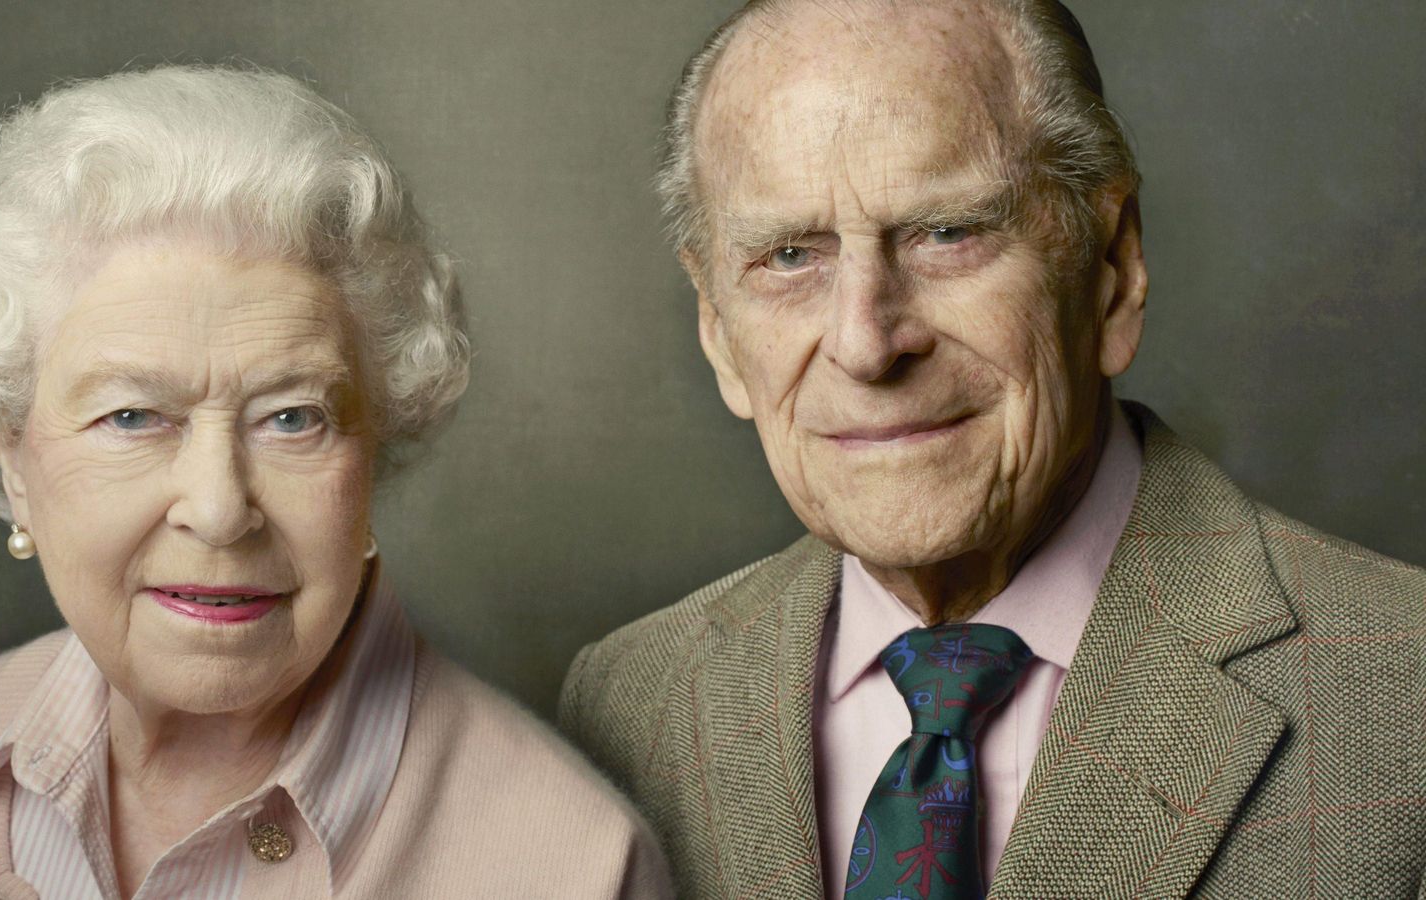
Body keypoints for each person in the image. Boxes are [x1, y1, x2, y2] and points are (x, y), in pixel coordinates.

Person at [558, 1, 1426, 898]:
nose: (866, 342)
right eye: (787, 256)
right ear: (715, 328)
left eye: (948, 232)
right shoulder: (629, 702)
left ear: (1112, 272)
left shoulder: (1404, 698)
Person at [0, 65, 672, 899]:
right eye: (132, 417)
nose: (221, 509)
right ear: (16, 458)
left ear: (373, 448)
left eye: (293, 418)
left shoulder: (575, 866)